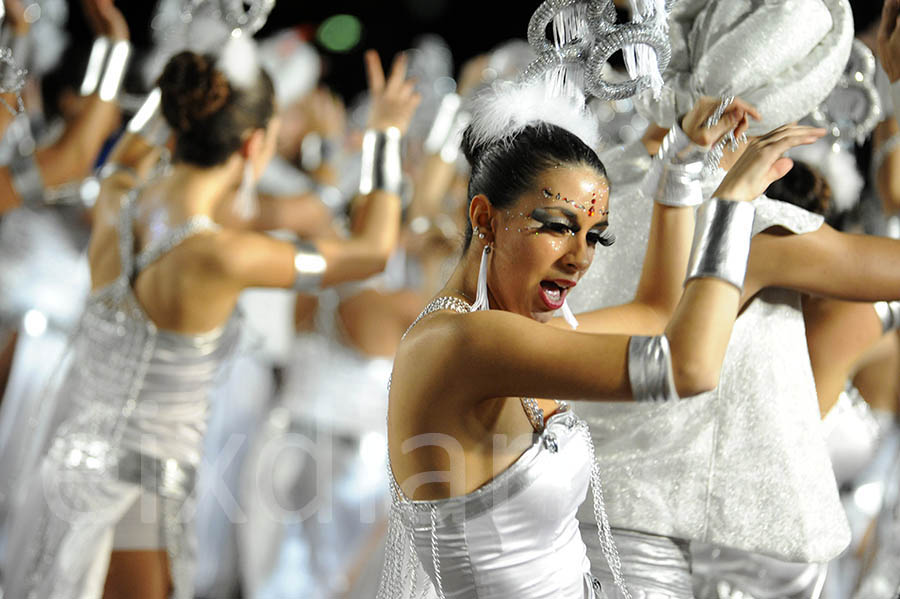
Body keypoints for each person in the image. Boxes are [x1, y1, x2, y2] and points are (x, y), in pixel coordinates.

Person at [0, 39, 419, 599]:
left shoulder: (118, 198)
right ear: (254, 145)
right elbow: (370, 251)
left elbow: (129, 152)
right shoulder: (219, 255)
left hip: (71, 461)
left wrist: (166, 58)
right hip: (139, 489)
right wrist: (386, 132)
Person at [378, 71, 822, 597]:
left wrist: (680, 160)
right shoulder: (465, 344)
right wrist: (732, 207)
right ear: (485, 219)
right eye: (559, 226)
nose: (579, 258)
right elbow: (689, 367)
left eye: (596, 236)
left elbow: (657, 309)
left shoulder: (512, 341)